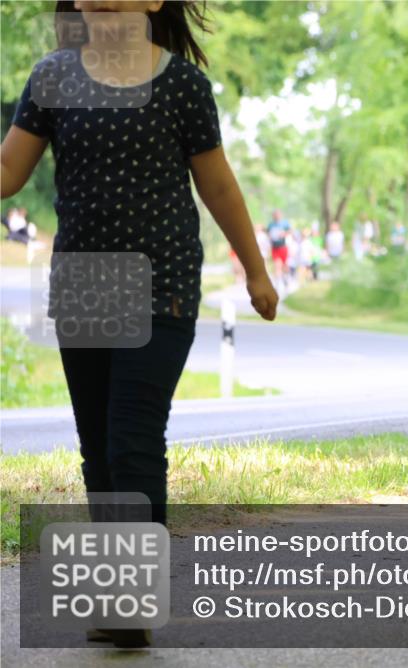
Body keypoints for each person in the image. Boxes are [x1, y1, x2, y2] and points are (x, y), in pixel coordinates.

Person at [0, 0, 278, 646]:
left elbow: (219, 188)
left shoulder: (181, 85)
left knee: (131, 439)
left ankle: (131, 601)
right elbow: (10, 171)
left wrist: (256, 271)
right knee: (98, 449)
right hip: (84, 287)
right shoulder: (52, 79)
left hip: (163, 285)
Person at [267, 209, 291, 284]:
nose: (276, 216)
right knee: (277, 264)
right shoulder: (271, 224)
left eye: (278, 215)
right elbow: (268, 233)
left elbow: (290, 231)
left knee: (284, 264)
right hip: (275, 247)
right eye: (275, 215)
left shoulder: (285, 223)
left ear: (281, 215)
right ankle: (277, 282)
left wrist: (284, 233)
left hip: (283, 247)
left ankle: (286, 277)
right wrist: (270, 237)